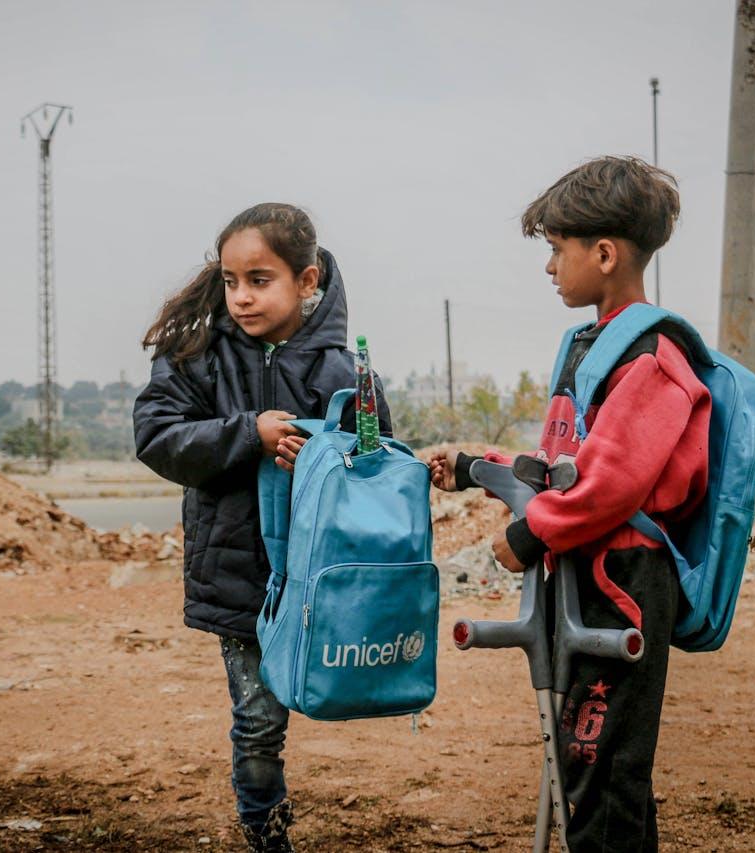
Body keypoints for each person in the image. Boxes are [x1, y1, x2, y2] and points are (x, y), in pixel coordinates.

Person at [430, 157, 710, 852]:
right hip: (586, 575)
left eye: (558, 250)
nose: (550, 266)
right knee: (601, 770)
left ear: (605, 253)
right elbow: (565, 470)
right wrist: (474, 467)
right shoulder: (590, 346)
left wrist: (529, 537)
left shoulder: (649, 353)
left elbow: (611, 485)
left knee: (597, 771)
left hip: (626, 583)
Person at [134, 202, 389, 853]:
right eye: (230, 280)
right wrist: (250, 432)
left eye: (260, 279)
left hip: (320, 581)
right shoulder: (198, 355)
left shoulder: (343, 367)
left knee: (328, 695)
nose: (242, 297)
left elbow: (375, 460)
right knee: (256, 721)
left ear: (307, 281)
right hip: (240, 578)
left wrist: (322, 449)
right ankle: (266, 833)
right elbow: (158, 434)